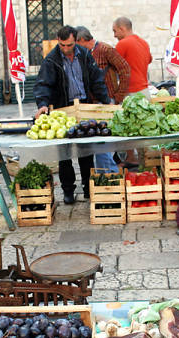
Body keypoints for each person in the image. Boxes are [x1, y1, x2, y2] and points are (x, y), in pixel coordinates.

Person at [33, 25, 111, 204]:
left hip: (83, 105)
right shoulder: (51, 59)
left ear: (75, 41)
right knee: (65, 153)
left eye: (69, 45)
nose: (66, 49)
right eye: (62, 45)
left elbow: (96, 79)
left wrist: (106, 100)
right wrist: (43, 104)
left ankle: (87, 188)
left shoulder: (84, 54)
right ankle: (68, 190)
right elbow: (43, 84)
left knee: (85, 150)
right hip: (63, 107)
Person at [76, 26, 130, 173]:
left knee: (103, 142)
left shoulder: (105, 49)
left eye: (76, 44)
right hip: (91, 104)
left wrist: (118, 96)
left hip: (107, 101)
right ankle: (104, 174)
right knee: (98, 142)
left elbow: (124, 69)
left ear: (81, 40)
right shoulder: (81, 54)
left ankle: (108, 174)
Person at [113, 17, 153, 167]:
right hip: (144, 90)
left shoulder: (122, 44)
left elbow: (113, 65)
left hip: (130, 92)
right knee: (145, 127)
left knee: (127, 127)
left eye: (115, 31)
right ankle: (147, 160)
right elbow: (149, 59)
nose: (114, 34)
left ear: (122, 29)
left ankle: (131, 157)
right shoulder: (144, 42)